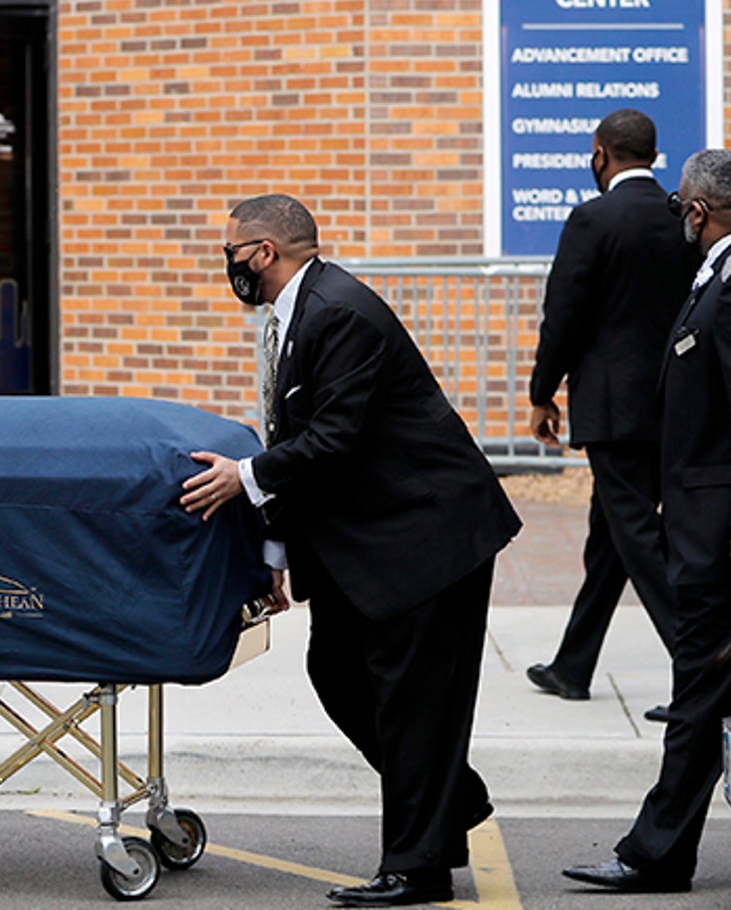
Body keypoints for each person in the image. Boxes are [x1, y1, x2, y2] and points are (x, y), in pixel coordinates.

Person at [182, 194, 521, 907]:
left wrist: (242, 480)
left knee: (412, 700)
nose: (229, 266)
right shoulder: (298, 314)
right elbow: (297, 441)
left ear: (264, 253)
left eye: (232, 253)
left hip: (427, 533)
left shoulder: (339, 311)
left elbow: (334, 438)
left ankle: (417, 867)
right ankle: (449, 801)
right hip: (366, 535)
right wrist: (276, 548)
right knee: (336, 671)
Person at [564, 148, 731, 894]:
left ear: (697, 211)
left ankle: (654, 853)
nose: (675, 217)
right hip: (715, 522)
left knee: (700, 693)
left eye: (676, 206)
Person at [524, 109, 693, 719]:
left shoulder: (593, 218)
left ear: (601, 154)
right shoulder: (681, 216)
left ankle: (699, 672)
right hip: (671, 402)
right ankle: (573, 665)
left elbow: (563, 313)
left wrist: (544, 392)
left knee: (638, 535)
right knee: (612, 535)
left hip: (613, 406)